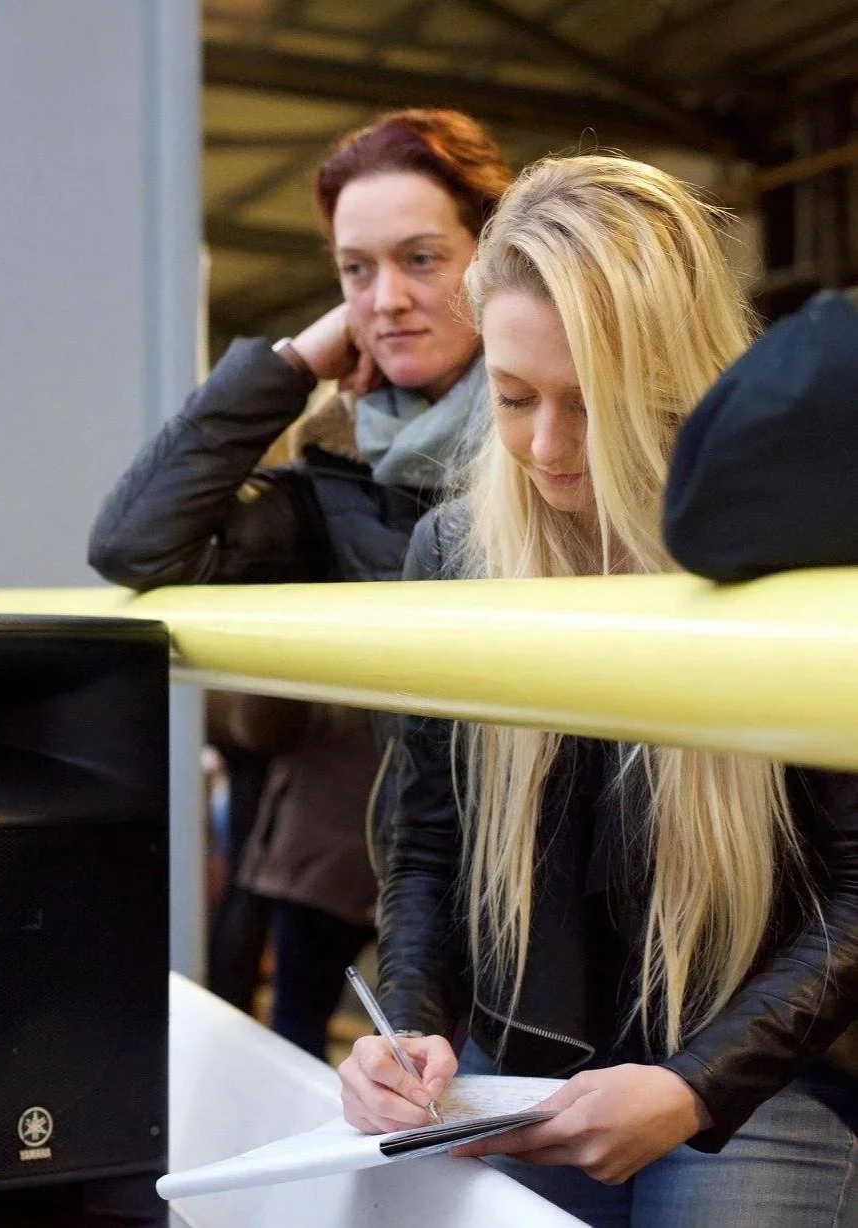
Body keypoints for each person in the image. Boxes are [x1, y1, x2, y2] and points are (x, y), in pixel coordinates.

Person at [338, 155, 858, 1225]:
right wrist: (402, 1028)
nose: (545, 447)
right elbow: (426, 847)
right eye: (515, 396)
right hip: (505, 1069)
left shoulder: (796, 546)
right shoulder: (453, 548)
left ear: (681, 378)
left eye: (598, 404)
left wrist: (693, 1085)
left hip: (756, 1079)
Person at [88, 108, 512, 1057]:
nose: (386, 298)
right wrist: (297, 359)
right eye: (354, 269)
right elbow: (132, 544)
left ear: (499, 256)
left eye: (421, 259)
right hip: (430, 884)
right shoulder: (337, 473)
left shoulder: (579, 442)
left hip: (592, 897)